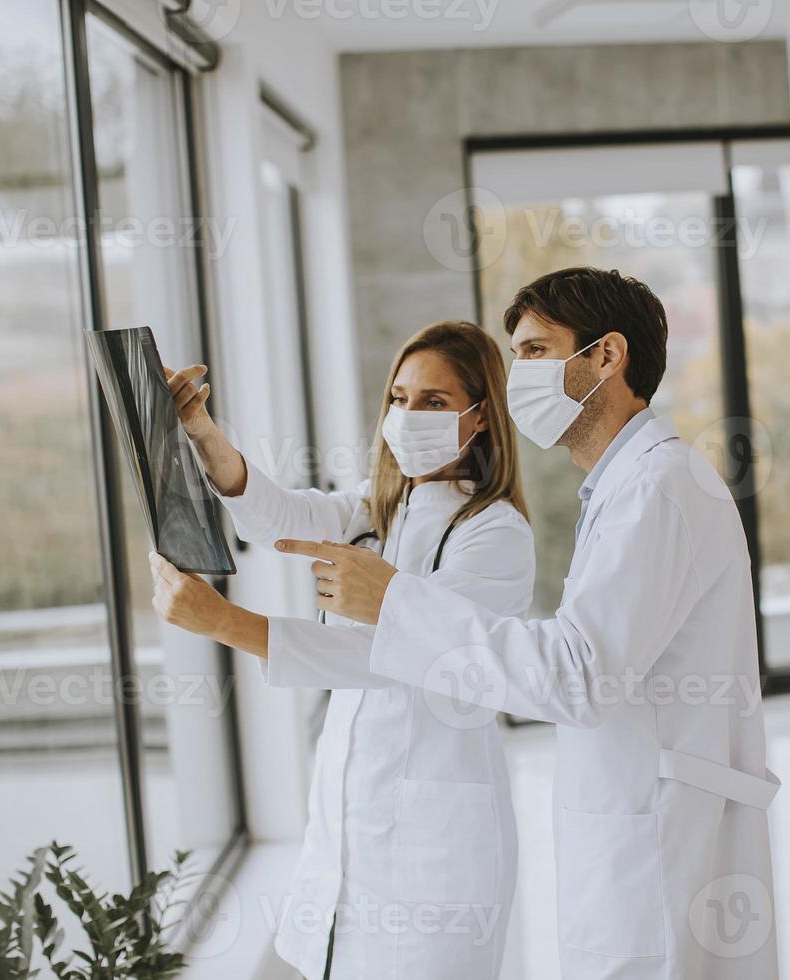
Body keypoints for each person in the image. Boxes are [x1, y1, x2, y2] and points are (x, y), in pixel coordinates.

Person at [281, 267, 781, 980]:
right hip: (634, 821)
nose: (519, 376)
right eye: (517, 356)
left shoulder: (656, 492)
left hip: (659, 840)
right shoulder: (623, 488)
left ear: (607, 357)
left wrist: (394, 601)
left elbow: (578, 675)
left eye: (538, 352)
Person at [147, 320, 534, 980]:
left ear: (479, 419)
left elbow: (388, 653)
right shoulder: (381, 508)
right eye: (399, 398)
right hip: (345, 830)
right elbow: (282, 517)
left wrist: (224, 623)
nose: (408, 416)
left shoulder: (494, 535)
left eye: (434, 402)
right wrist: (204, 435)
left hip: (433, 857)